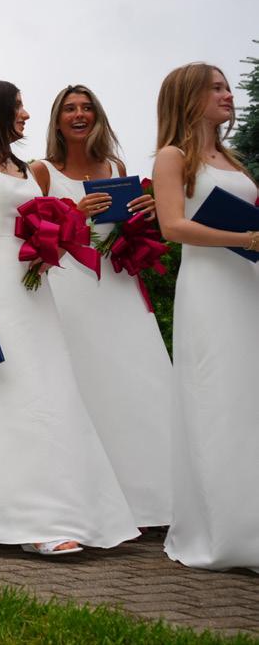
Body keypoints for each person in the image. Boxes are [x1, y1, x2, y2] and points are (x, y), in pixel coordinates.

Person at [0, 79, 138, 555]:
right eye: (18, 106)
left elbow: (36, 224)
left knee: (45, 394)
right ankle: (19, 521)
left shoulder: (26, 169)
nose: (26, 114)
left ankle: (61, 510)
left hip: (31, 290)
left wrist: (59, 238)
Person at [31, 85, 172, 529]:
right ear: (57, 121)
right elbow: (31, 236)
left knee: (137, 383)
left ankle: (154, 502)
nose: (79, 114)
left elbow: (125, 229)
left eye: (87, 108)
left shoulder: (116, 168)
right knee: (85, 384)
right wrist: (75, 211)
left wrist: (147, 210)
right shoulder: (42, 172)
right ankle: (95, 500)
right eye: (70, 109)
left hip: (117, 283)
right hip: (70, 287)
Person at [153, 62, 259, 572]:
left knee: (248, 399)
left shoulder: (233, 161)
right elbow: (173, 226)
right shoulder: (173, 157)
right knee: (217, 397)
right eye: (215, 88)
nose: (227, 94)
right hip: (210, 289)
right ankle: (222, 530)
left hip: (247, 284)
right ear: (188, 97)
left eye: (226, 86)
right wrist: (246, 238)